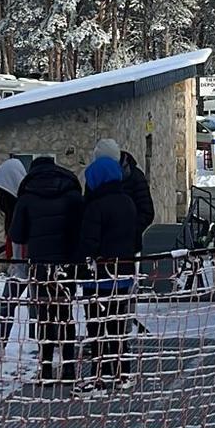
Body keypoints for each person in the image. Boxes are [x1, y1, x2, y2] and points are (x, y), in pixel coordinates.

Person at [9, 156, 85, 384]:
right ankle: (69, 368)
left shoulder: (27, 197)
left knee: (44, 315)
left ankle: (46, 369)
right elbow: (82, 227)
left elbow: (17, 235)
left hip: (40, 265)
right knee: (65, 314)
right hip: (66, 264)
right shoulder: (72, 195)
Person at [78, 154, 143, 392]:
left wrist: (82, 263)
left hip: (97, 278)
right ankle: (122, 372)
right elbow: (135, 238)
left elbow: (89, 243)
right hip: (122, 275)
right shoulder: (127, 202)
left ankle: (99, 373)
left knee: (96, 328)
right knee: (117, 326)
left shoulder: (95, 207)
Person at [0, 157, 30, 351]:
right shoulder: (13, 209)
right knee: (7, 302)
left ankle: (40, 344)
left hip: (29, 264)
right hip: (18, 266)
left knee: (36, 306)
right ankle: (0, 343)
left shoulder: (25, 205)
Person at [95, 137, 156, 236]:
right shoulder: (99, 177)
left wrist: (130, 231)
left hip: (128, 242)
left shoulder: (135, 177)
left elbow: (146, 212)